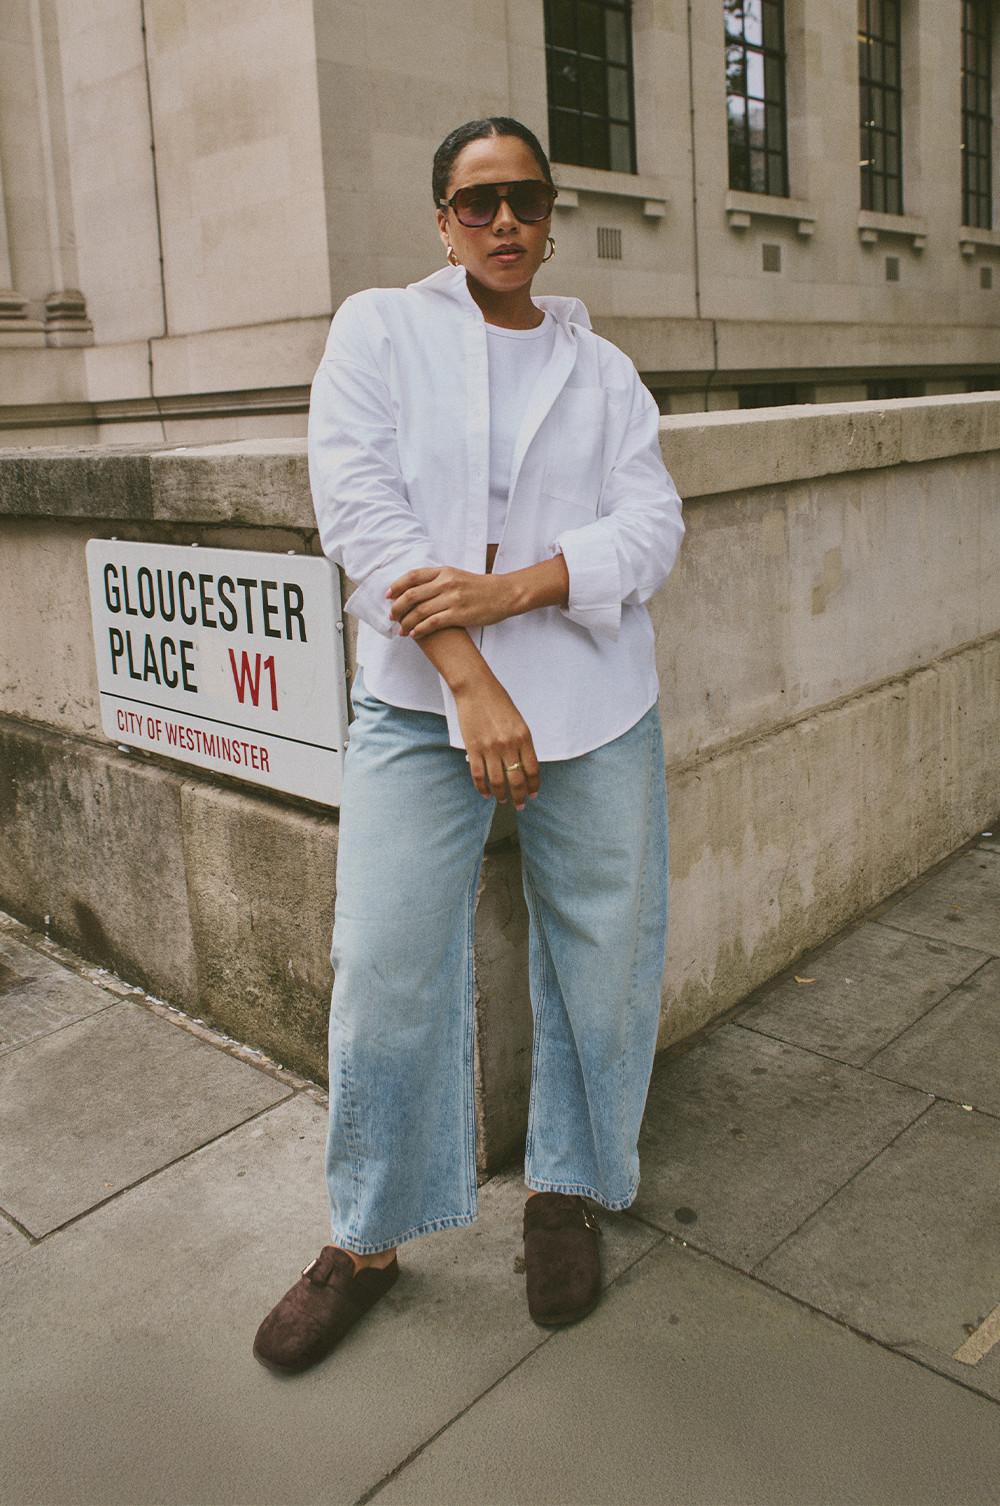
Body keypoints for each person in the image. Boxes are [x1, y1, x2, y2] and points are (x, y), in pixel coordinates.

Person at [253, 116, 684, 1375]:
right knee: (384, 962)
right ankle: (369, 1234)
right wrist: (468, 672)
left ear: (551, 220)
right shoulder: (378, 331)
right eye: (478, 201)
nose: (505, 223)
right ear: (441, 220)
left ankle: (568, 1188)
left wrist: (518, 589)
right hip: (415, 699)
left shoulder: (602, 372)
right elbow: (360, 509)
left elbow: (650, 527)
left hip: (597, 703)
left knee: (603, 956)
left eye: (527, 201)